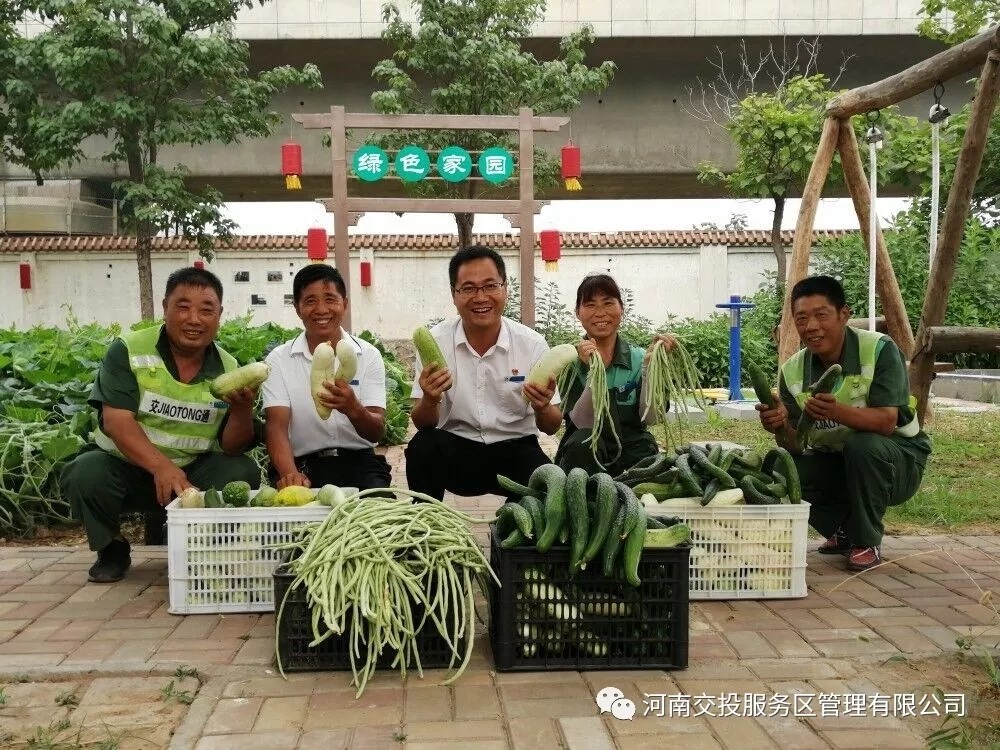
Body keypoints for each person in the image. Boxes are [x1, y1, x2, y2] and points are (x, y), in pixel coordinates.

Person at [60, 267, 261, 583]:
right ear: (165, 307)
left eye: (206, 310)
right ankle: (112, 547)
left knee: (242, 471)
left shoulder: (229, 368)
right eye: (183, 307)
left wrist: (242, 410)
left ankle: (202, 547)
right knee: (84, 473)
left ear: (219, 315)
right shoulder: (129, 350)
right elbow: (116, 421)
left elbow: (232, 446)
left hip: (191, 474)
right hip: (125, 466)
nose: (194, 319)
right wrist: (162, 467)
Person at [756, 275, 931, 572]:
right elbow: (795, 445)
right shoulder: (792, 371)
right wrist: (780, 426)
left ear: (844, 314)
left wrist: (836, 412)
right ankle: (844, 530)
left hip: (898, 461)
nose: (811, 326)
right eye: (801, 319)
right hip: (839, 462)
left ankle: (866, 540)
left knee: (863, 445)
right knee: (782, 467)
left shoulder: (878, 349)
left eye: (821, 315)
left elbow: (887, 422)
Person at [405, 245, 562, 501]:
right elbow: (422, 423)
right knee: (422, 446)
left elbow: (552, 426)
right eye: (468, 288)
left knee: (548, 482)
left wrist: (542, 407)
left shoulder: (532, 344)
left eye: (490, 286)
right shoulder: (436, 342)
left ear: (505, 289)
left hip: (516, 449)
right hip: (457, 449)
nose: (480, 297)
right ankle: (425, 519)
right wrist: (430, 399)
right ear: (454, 295)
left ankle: (516, 523)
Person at [262, 264, 391, 492]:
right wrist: (290, 475)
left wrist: (353, 408)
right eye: (310, 301)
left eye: (330, 299)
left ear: (345, 304)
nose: (321, 309)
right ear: (297, 308)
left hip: (359, 462)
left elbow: (376, 431)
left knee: (378, 510)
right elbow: (276, 427)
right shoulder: (278, 360)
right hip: (302, 464)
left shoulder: (369, 355)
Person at [553, 273, 676, 476]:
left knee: (646, 459)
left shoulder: (639, 358)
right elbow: (582, 422)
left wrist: (651, 369)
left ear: (621, 308)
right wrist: (594, 373)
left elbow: (651, 418)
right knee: (582, 444)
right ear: (577, 312)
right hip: (584, 452)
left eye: (608, 303)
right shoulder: (569, 363)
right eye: (590, 305)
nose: (600, 313)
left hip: (633, 449)